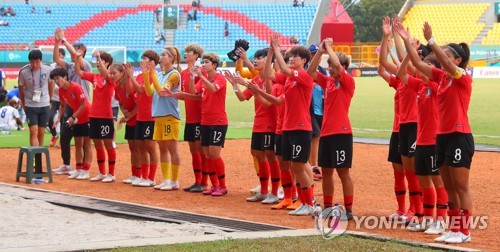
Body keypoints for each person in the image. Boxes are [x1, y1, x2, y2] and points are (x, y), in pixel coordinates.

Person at [395, 19, 474, 244]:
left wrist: (431, 41)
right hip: (443, 137)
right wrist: (406, 43)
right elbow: (418, 67)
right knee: (449, 187)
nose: (443, 60)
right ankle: (453, 228)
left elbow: (447, 67)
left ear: (458, 60)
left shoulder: (462, 78)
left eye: (448, 56)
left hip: (459, 136)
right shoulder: (441, 79)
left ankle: (464, 231)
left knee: (461, 186)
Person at [252, 34, 315, 215]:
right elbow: (267, 74)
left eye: (295, 56)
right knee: (289, 165)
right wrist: (272, 52)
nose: (291, 59)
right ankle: (300, 202)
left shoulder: (303, 76)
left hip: (300, 127)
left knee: (299, 166)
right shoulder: (289, 79)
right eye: (290, 56)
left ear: (303, 60)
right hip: (288, 127)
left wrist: (277, 49)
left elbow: (286, 71)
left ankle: (308, 203)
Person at [379, 17, 423, 224]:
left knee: (412, 171)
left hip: (414, 126)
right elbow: (383, 65)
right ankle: (402, 209)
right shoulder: (400, 82)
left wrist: (400, 38)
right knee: (399, 170)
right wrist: (388, 35)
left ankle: (417, 210)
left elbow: (404, 61)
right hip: (398, 129)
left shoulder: (417, 76)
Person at [308, 38, 355, 220]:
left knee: (343, 172)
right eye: (328, 66)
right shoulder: (327, 82)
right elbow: (311, 71)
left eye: (333, 66)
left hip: (342, 133)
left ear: (342, 67)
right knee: (327, 172)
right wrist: (320, 52)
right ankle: (328, 208)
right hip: (327, 133)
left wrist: (329, 48)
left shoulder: (347, 81)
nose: (330, 68)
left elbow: (336, 62)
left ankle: (349, 209)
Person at [226, 48, 281, 204]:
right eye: (255, 58)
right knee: (257, 153)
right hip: (258, 123)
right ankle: (264, 191)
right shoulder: (257, 80)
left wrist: (253, 89)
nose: (255, 60)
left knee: (271, 156)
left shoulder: (273, 79)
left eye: (259, 58)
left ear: (268, 61)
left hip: (270, 123)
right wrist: (235, 85)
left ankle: (275, 192)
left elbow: (269, 104)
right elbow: (243, 98)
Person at [52, 27, 92, 175]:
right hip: (70, 105)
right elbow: (56, 59)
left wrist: (64, 39)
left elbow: (74, 54)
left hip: (83, 104)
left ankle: (84, 169)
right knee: (66, 137)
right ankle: (68, 165)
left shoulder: (85, 65)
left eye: (73, 51)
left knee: (84, 142)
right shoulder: (68, 67)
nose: (70, 53)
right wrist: (57, 42)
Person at [188, 52, 228, 196]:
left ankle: (222, 186)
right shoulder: (202, 79)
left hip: (218, 122)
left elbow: (213, 88)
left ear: (214, 65)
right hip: (205, 121)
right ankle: (214, 185)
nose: (203, 65)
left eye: (206, 62)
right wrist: (193, 77)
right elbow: (193, 92)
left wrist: (201, 76)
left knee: (214, 154)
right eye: (203, 62)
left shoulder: (220, 78)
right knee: (206, 154)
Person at [75, 49, 117, 183]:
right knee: (98, 145)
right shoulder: (94, 76)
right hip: (93, 115)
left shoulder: (110, 78)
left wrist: (98, 56)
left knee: (108, 144)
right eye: (98, 61)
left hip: (106, 115)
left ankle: (111, 173)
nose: (98, 63)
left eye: (102, 61)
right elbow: (79, 72)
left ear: (108, 63)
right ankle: (102, 172)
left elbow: (106, 74)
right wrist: (77, 59)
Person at [145, 46, 183, 191]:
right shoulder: (160, 74)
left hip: (169, 116)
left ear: (172, 58)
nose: (161, 57)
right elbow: (149, 91)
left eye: (164, 55)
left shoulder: (174, 75)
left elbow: (161, 92)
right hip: (159, 116)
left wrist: (152, 72)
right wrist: (146, 73)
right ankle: (166, 179)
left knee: (172, 149)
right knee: (162, 149)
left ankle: (174, 180)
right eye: (161, 55)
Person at [176, 44, 208, 193]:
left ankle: (204, 182)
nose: (185, 53)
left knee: (200, 149)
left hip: (200, 116)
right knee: (193, 150)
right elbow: (186, 95)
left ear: (196, 56)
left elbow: (199, 95)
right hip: (190, 117)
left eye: (188, 51)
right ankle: (197, 181)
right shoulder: (183, 72)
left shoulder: (201, 71)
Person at [51, 68, 93, 180]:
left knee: (87, 145)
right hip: (77, 118)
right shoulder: (61, 90)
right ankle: (79, 169)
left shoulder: (75, 87)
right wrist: (58, 118)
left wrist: (73, 117)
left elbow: (84, 104)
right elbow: (63, 105)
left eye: (58, 78)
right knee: (78, 143)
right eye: (55, 79)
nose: (56, 81)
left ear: (65, 77)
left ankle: (86, 170)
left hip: (87, 116)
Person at [126, 51, 160, 187]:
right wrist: (129, 78)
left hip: (151, 116)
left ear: (152, 62)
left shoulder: (154, 76)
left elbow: (143, 90)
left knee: (150, 146)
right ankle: (144, 176)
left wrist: (130, 76)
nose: (141, 60)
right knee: (140, 146)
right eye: (142, 58)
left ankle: (151, 178)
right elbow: (131, 91)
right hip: (141, 116)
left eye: (144, 58)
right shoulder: (140, 75)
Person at [110, 63, 141, 185]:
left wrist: (129, 116)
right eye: (111, 73)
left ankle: (141, 175)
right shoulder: (117, 87)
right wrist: (125, 113)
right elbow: (121, 103)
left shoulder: (131, 85)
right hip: (131, 119)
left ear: (122, 73)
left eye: (114, 73)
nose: (112, 76)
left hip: (138, 118)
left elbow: (139, 104)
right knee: (132, 147)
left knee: (138, 148)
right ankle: (134, 174)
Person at [18, 49, 53, 147]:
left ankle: (38, 156)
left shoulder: (48, 69)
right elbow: (21, 90)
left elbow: (51, 85)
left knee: (41, 131)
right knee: (33, 131)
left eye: (36, 62)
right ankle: (33, 155)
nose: (34, 65)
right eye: (32, 62)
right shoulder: (24, 71)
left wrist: (50, 101)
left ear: (40, 60)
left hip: (44, 104)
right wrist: (24, 105)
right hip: (30, 105)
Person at [48, 48, 65, 148]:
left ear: (63, 56)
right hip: (54, 100)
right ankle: (54, 135)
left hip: (64, 100)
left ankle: (62, 141)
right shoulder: (51, 68)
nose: (58, 56)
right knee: (50, 118)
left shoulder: (65, 68)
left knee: (63, 121)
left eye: (60, 55)